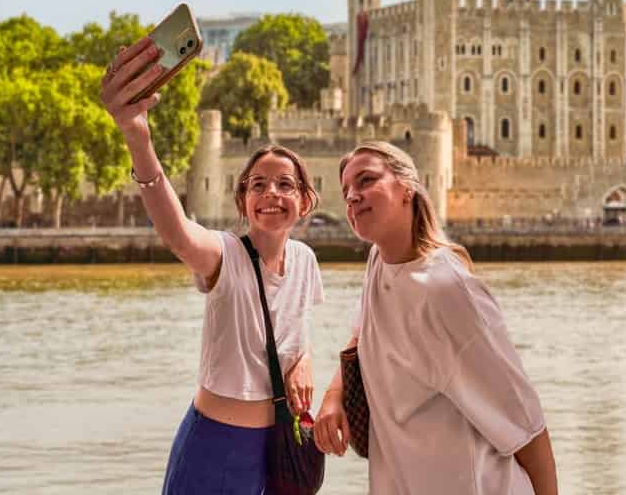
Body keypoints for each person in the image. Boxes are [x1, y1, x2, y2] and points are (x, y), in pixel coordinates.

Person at [100, 37, 324, 495]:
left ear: (305, 202)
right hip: (212, 447)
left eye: (285, 184)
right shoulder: (224, 254)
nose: (271, 193)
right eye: (258, 184)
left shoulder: (305, 260)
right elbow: (178, 233)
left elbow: (294, 332)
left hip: (274, 449)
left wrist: (304, 360)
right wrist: (138, 138)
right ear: (243, 202)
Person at [314, 141, 558, 495]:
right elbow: (361, 335)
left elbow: (526, 423)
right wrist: (333, 396)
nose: (352, 196)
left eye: (366, 180)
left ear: (406, 188)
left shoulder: (448, 290)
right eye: (346, 190)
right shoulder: (379, 261)